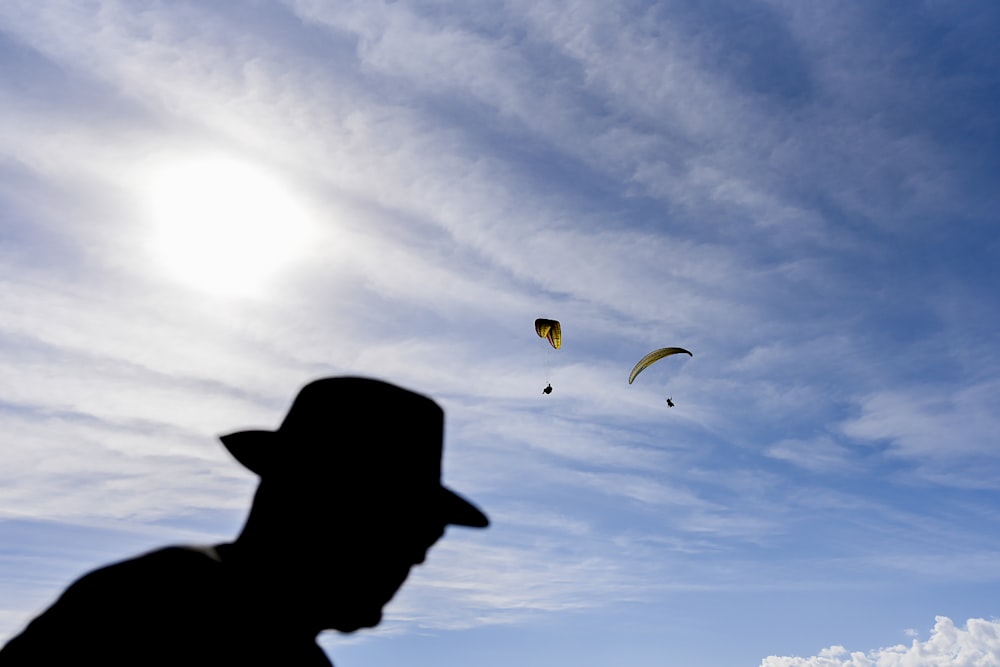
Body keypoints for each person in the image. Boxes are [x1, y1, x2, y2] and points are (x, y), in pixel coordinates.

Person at [0, 377, 489, 666]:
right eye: (408, 528)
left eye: (428, 533)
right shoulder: (165, 602)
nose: (420, 557)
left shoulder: (278, 645)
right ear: (312, 509)